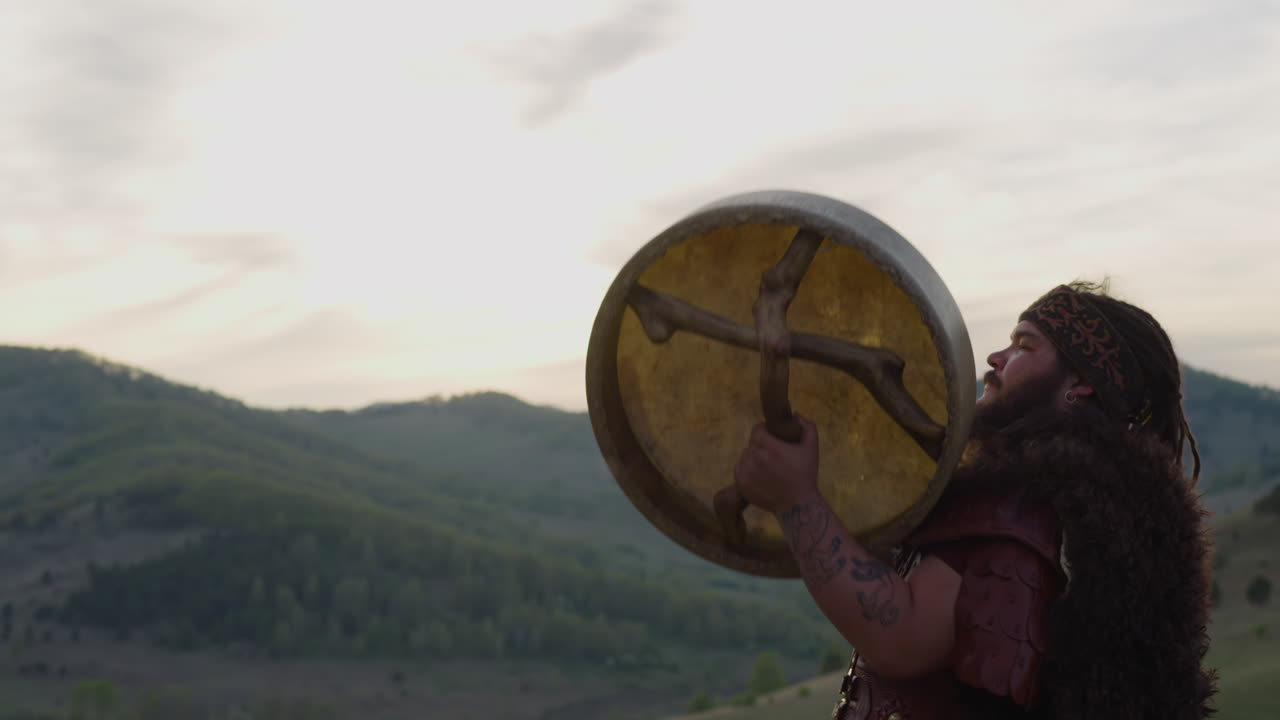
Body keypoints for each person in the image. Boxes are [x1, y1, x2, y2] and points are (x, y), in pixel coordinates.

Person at [733, 281, 1217, 719]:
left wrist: (797, 501)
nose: (995, 358)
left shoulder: (1025, 497)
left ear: (1081, 383)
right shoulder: (1079, 500)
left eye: (1024, 345)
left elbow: (902, 638)